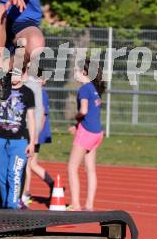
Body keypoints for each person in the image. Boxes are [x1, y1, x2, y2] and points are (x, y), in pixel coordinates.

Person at [0, 68, 35, 209]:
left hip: (19, 141)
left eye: (18, 74)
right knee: (2, 176)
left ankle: (13, 206)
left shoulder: (28, 93)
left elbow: (31, 119)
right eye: (13, 74)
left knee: (15, 174)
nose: (15, 77)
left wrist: (32, 142)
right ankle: (6, 204)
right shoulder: (0, 90)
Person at [67, 58, 106, 211]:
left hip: (87, 132)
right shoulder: (95, 88)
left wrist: (75, 120)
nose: (75, 72)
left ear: (84, 72)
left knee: (72, 167)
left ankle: (75, 204)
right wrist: (77, 125)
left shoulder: (84, 89)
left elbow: (83, 111)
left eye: (77, 70)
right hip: (97, 132)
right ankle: (89, 205)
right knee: (90, 169)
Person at [22, 70, 54, 206]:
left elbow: (42, 116)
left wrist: (35, 135)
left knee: (27, 165)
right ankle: (52, 184)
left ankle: (25, 193)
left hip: (36, 133)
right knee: (32, 164)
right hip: (36, 132)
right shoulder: (36, 91)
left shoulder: (41, 93)